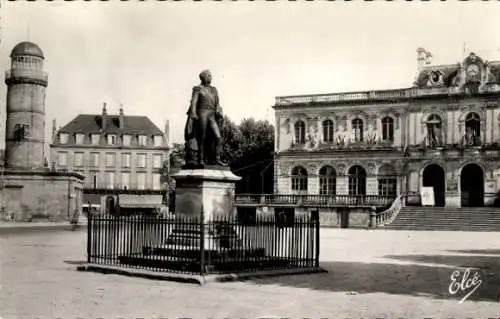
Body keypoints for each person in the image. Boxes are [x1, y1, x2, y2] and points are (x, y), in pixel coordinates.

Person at [184, 70, 227, 168]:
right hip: (202, 112)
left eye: (211, 76)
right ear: (203, 77)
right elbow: (194, 102)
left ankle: (217, 159)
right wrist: (194, 113)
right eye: (208, 76)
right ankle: (201, 159)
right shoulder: (198, 89)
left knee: (218, 137)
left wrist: (219, 111)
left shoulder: (214, 90)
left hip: (212, 114)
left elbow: (217, 103)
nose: (210, 78)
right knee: (202, 137)